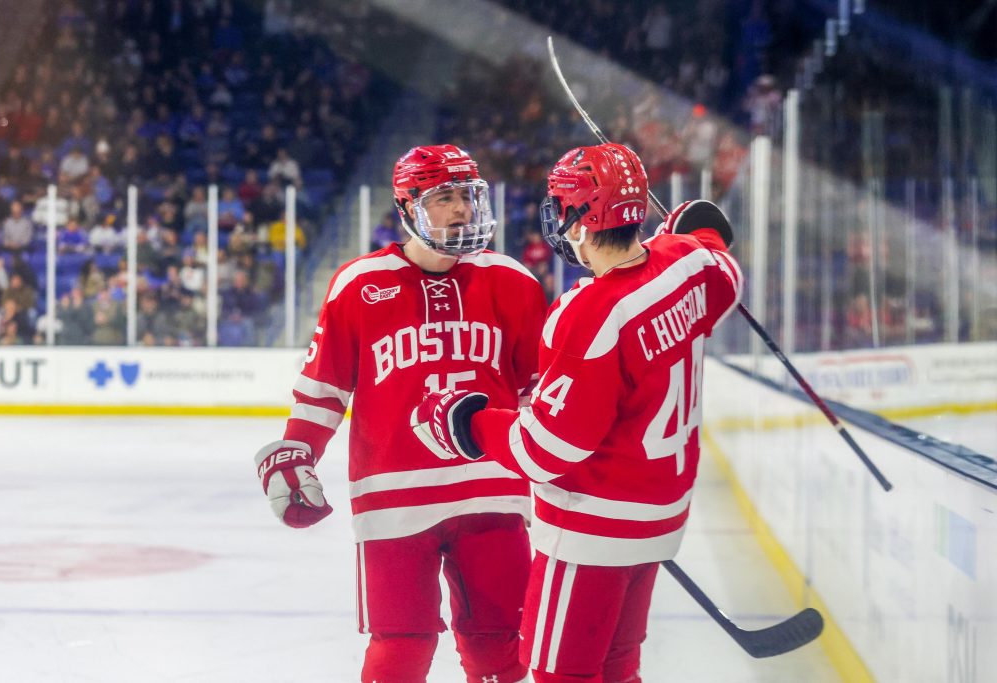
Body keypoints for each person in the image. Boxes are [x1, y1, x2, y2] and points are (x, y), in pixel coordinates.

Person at [411, 142, 743, 682]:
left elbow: (547, 449)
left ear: (581, 218)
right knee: (616, 667)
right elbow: (723, 271)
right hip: (661, 513)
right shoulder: (687, 263)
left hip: (593, 529)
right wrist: (697, 228)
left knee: (558, 673)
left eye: (563, 209)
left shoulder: (590, 315)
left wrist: (466, 420)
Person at [253, 144, 548, 683]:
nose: (461, 210)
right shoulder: (360, 285)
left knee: (500, 645)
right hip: (393, 500)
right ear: (408, 205)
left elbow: (540, 392)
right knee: (401, 648)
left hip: (492, 492)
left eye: (467, 196)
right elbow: (324, 389)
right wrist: (300, 450)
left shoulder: (514, 282)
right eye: (444, 198)